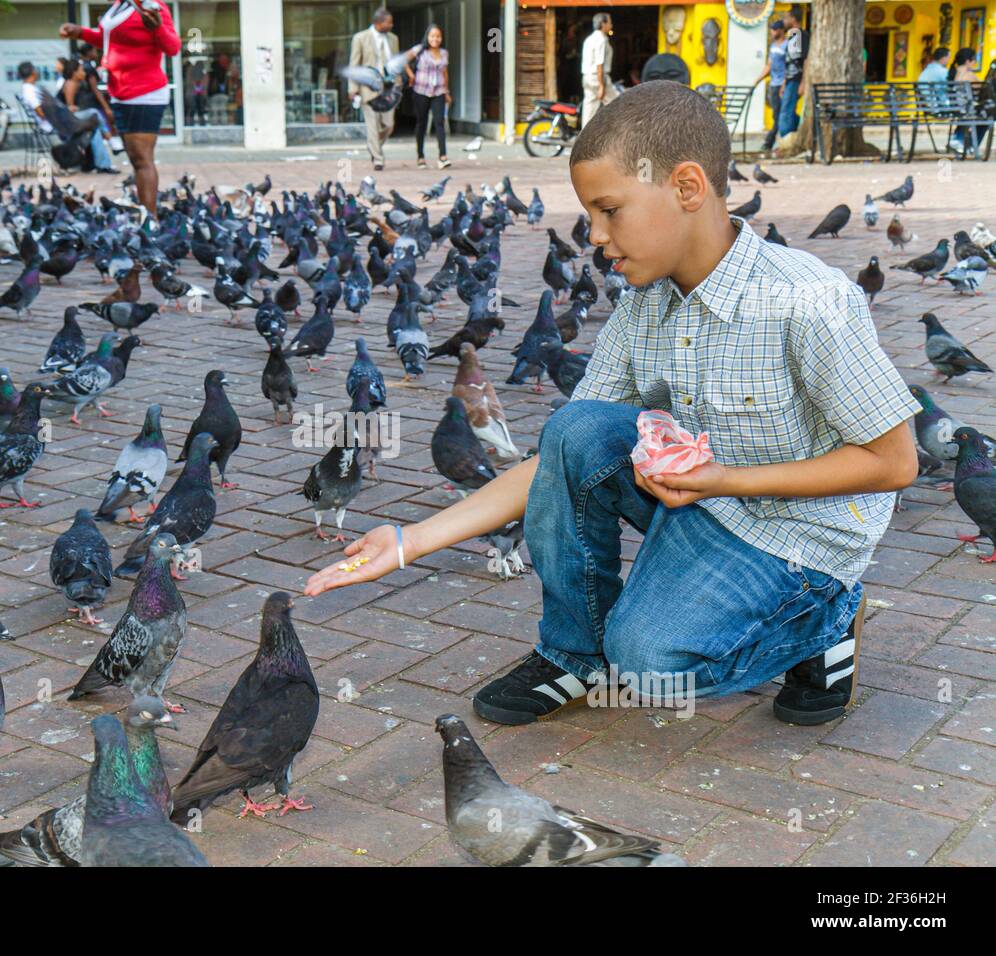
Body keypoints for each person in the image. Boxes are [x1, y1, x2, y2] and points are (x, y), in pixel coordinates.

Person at [305, 81, 921, 731]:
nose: (594, 235)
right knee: (577, 430)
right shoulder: (643, 306)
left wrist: (723, 480)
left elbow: (894, 463)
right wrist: (408, 542)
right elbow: (558, 462)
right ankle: (574, 654)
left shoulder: (807, 299)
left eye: (609, 210)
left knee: (652, 667)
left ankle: (823, 621)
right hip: (707, 502)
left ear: (687, 188)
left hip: (800, 537)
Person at [61, 0, 181, 219]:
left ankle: (150, 220)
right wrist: (81, 33)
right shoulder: (120, 5)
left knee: (143, 160)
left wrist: (158, 28)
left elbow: (173, 47)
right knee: (136, 160)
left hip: (144, 92)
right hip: (121, 92)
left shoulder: (152, 5)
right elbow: (109, 39)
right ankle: (146, 215)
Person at [348, 7, 400, 171]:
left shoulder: (393, 39)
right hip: (368, 89)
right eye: (388, 22)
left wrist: (398, 85)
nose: (391, 25)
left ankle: (373, 146)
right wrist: (353, 88)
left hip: (389, 89)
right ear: (378, 23)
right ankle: (378, 159)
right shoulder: (360, 38)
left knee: (389, 125)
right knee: (372, 125)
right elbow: (354, 64)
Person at [58, 58, 118, 171]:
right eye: (81, 71)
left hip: (76, 118)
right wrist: (74, 107)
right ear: (74, 72)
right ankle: (111, 140)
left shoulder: (77, 83)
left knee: (94, 133)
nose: (84, 73)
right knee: (94, 112)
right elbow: (69, 107)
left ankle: (104, 165)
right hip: (71, 119)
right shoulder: (71, 84)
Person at [406, 23, 451, 169]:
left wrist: (446, 91)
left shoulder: (444, 53)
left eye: (438, 36)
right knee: (422, 123)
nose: (435, 39)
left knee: (439, 122)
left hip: (438, 91)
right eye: (432, 36)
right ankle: (420, 156)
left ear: (441, 38)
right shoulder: (419, 50)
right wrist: (411, 75)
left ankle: (443, 156)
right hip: (421, 90)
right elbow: (404, 61)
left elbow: (445, 73)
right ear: (427, 36)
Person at [581, 13, 617, 129]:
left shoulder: (589, 39)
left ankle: (583, 139)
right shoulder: (601, 40)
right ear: (603, 24)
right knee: (619, 104)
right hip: (598, 78)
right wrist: (601, 85)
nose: (611, 25)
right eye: (609, 22)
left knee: (589, 110)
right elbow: (599, 64)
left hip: (587, 77)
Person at [755, 20, 786, 153]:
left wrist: (785, 84)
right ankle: (773, 142)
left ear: (780, 30)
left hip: (782, 85)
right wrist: (757, 80)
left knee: (781, 116)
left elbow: (791, 66)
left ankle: (770, 142)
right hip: (773, 85)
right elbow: (769, 66)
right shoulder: (773, 46)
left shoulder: (788, 45)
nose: (772, 32)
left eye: (774, 29)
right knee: (776, 116)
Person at [777, 10, 805, 139]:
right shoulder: (792, 35)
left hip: (796, 80)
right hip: (790, 80)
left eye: (787, 17)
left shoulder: (799, 35)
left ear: (793, 19)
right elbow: (790, 62)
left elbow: (805, 60)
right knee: (789, 111)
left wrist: (803, 82)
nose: (784, 21)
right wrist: (784, 82)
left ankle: (785, 139)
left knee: (785, 113)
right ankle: (793, 137)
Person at [947, 47, 980, 154]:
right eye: (974, 59)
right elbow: (983, 89)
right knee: (989, 114)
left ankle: (957, 138)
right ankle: (968, 144)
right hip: (965, 108)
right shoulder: (968, 75)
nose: (975, 62)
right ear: (967, 61)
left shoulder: (953, 72)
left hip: (955, 107)